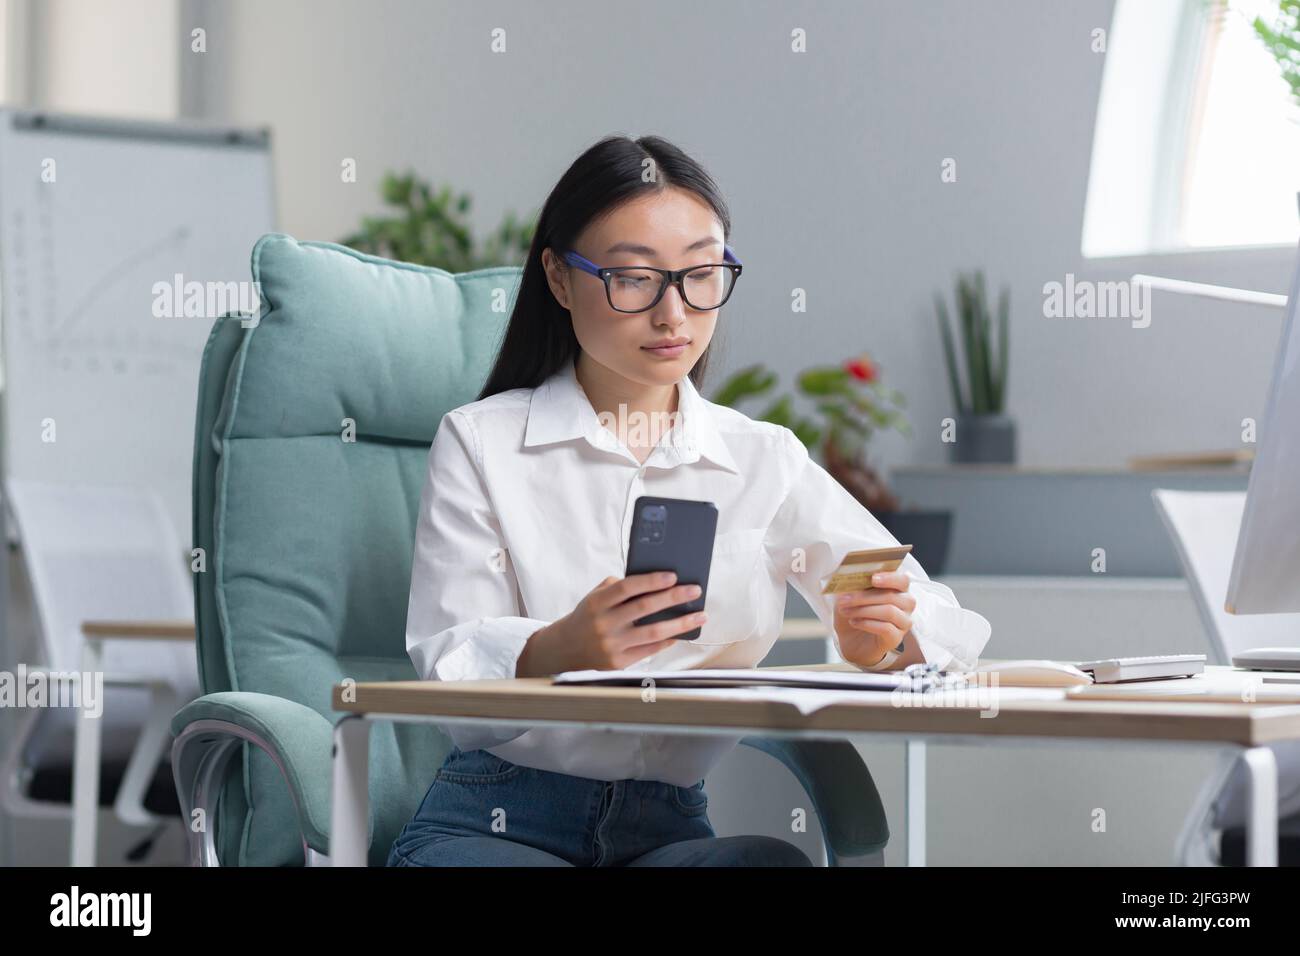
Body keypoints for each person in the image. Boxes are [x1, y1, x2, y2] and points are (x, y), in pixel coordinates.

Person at [387, 134, 991, 867]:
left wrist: (884, 637)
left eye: (701, 274)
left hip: (665, 830)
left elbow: (916, 603)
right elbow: (447, 662)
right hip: (495, 819)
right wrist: (556, 649)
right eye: (635, 278)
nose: (675, 314)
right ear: (558, 275)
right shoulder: (481, 443)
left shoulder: (760, 458)